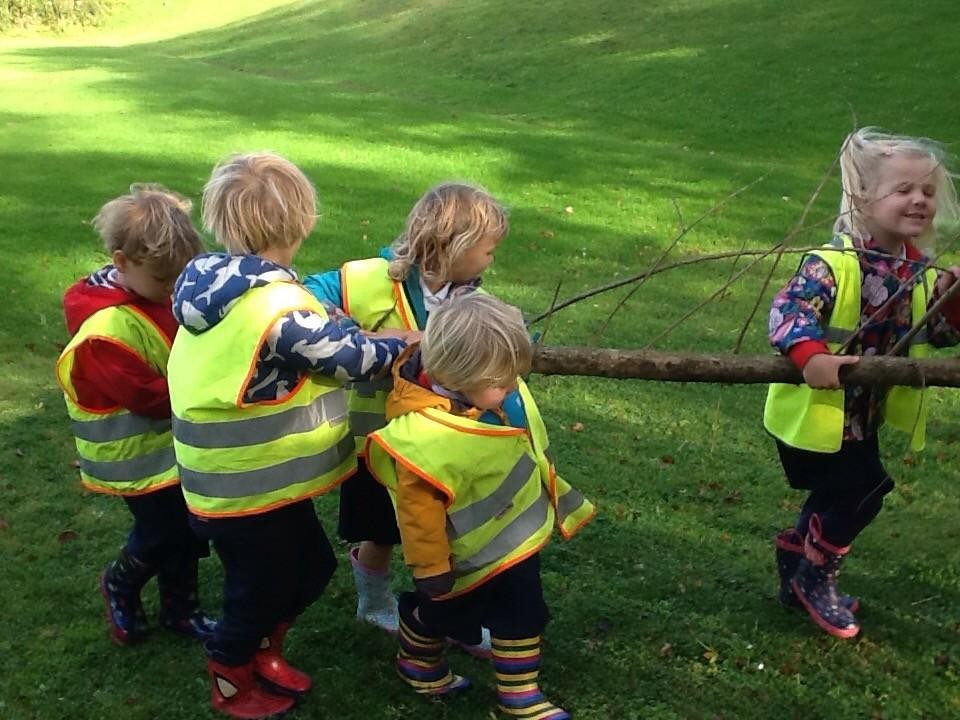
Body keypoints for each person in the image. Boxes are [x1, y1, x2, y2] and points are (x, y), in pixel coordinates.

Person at [167, 152, 412, 719]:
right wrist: (407, 340)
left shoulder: (218, 285)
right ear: (302, 221)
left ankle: (262, 651)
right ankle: (231, 675)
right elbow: (350, 359)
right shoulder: (276, 305)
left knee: (310, 570)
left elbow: (316, 330)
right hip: (244, 489)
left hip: (241, 484)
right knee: (259, 589)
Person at [765, 128, 960, 638]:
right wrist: (811, 357)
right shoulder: (833, 263)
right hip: (814, 413)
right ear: (862, 197)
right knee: (866, 489)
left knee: (838, 492)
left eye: (928, 191)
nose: (919, 199)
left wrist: (951, 298)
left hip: (859, 416)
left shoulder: (917, 271)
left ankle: (795, 559)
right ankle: (815, 575)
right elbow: (788, 313)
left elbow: (935, 332)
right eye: (904, 190)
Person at [365, 293, 595, 719]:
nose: (511, 389)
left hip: (512, 543)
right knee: (441, 610)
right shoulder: (424, 436)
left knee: (522, 610)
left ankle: (520, 692)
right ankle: (417, 658)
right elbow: (418, 516)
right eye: (501, 383)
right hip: (462, 556)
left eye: (513, 378)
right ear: (454, 373)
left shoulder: (494, 391)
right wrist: (431, 568)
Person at [303, 181, 507, 644]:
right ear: (452, 245)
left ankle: (455, 619)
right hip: (377, 446)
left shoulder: (469, 297)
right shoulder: (367, 279)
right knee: (382, 533)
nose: (492, 260)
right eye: (489, 250)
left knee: (448, 533)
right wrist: (359, 335)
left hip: (442, 444)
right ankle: (374, 603)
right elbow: (299, 293)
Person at [55, 185, 216, 646]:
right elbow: (147, 398)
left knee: (187, 528)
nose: (174, 291)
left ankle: (180, 608)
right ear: (122, 262)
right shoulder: (104, 330)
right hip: (136, 458)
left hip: (173, 448)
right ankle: (120, 583)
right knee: (160, 531)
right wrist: (209, 385)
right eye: (165, 282)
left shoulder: (155, 296)